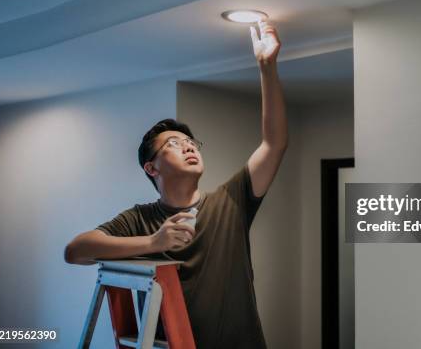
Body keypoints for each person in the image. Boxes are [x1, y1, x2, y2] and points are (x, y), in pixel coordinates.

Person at [64, 21, 287, 349]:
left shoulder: (231, 201)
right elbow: (76, 251)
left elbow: (274, 144)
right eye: (173, 143)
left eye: (191, 142)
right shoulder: (138, 221)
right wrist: (153, 242)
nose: (188, 146)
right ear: (151, 167)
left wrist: (267, 67)